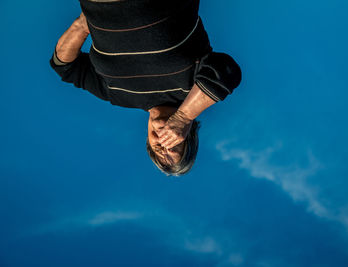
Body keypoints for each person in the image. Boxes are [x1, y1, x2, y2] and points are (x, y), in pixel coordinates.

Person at [50, 0, 242, 176]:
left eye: (158, 148)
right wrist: (183, 116)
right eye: (173, 146)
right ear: (187, 135)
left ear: (148, 142)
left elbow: (65, 68)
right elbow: (227, 71)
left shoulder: (117, 95)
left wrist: (81, 26)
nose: (162, 142)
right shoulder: (194, 86)